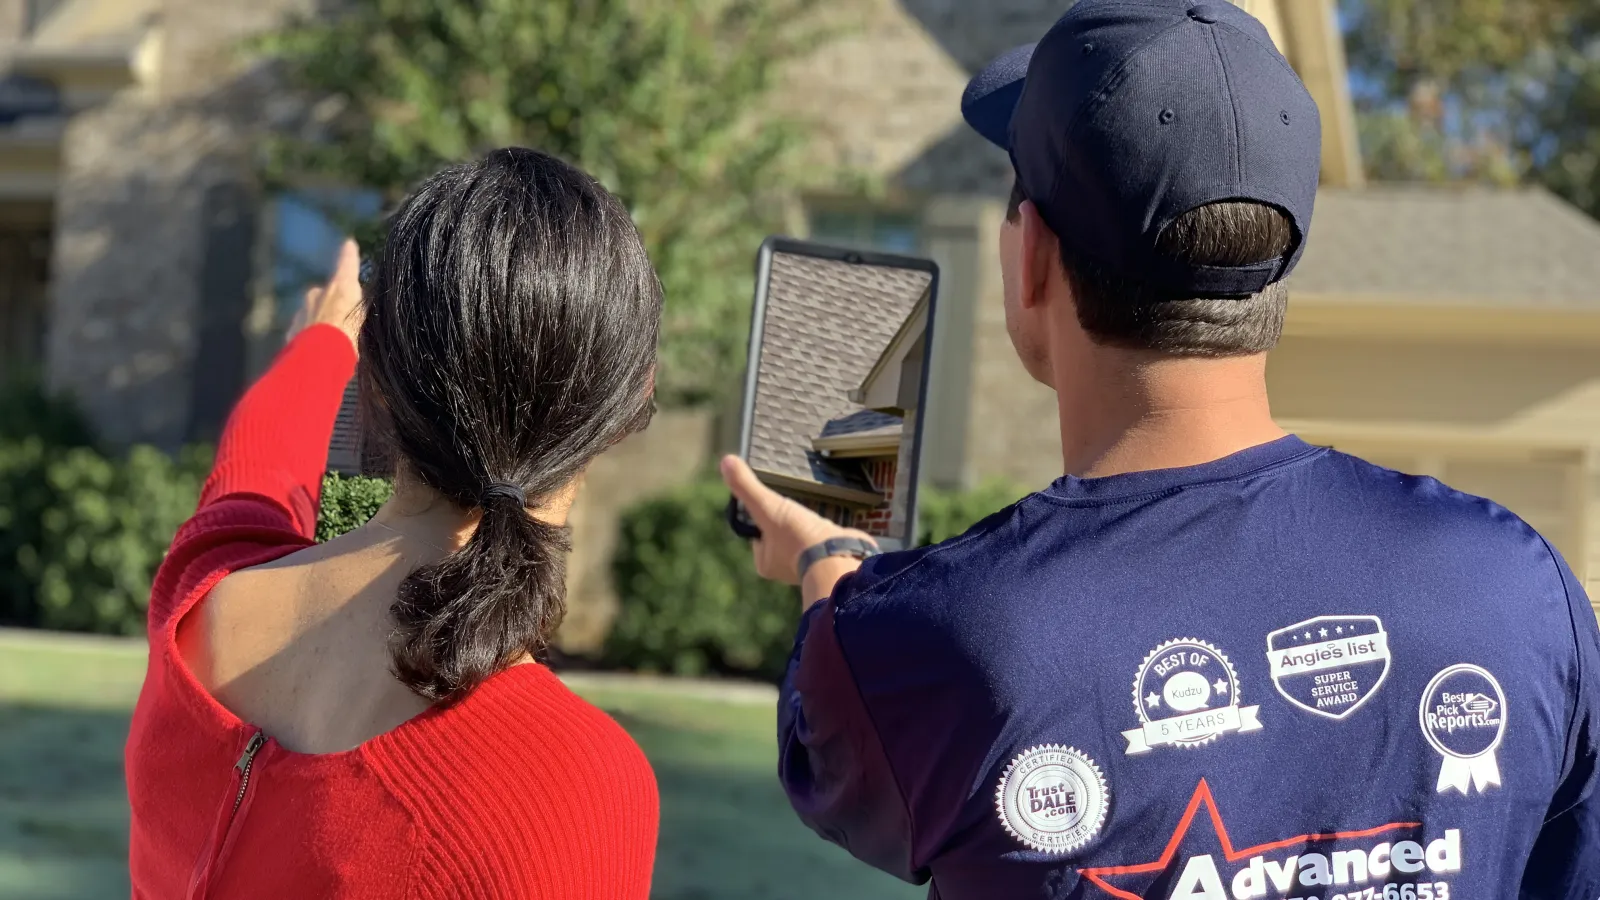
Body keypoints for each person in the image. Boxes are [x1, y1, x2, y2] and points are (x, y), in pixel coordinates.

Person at [720, 1, 1600, 897]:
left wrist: (827, 556)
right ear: (1280, 261)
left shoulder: (931, 641)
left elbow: (835, 747)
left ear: (1030, 260)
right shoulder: (1519, 587)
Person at [125, 148, 662, 899]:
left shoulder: (202, 596)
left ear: (374, 379)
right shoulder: (575, 785)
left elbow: (257, 466)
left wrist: (322, 346)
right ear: (631, 400)